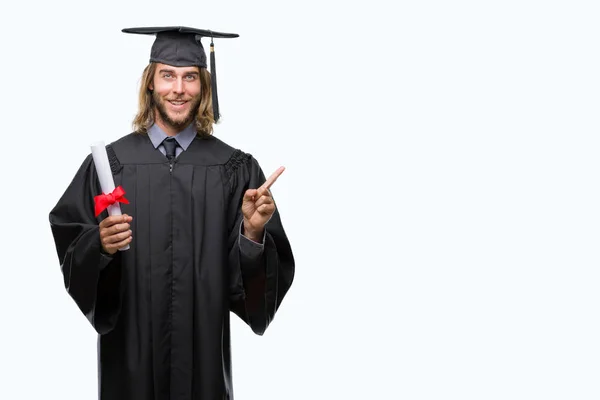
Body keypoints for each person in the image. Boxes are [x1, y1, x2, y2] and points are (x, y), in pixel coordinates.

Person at [48, 26, 295, 400]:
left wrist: (252, 235)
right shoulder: (109, 166)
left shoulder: (235, 170)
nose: (178, 89)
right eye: (167, 75)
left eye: (190, 77)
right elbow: (69, 242)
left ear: (203, 86)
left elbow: (253, 292)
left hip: (204, 365)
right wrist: (98, 246)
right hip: (128, 362)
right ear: (150, 83)